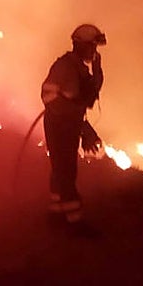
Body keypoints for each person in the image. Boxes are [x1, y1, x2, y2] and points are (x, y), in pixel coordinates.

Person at [41, 23, 106, 224]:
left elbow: (88, 95)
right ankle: (74, 220)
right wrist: (71, 118)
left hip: (69, 124)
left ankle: (56, 212)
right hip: (58, 125)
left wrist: (97, 70)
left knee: (61, 169)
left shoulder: (80, 68)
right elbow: (47, 94)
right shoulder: (64, 66)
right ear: (82, 45)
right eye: (92, 47)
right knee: (66, 171)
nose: (94, 51)